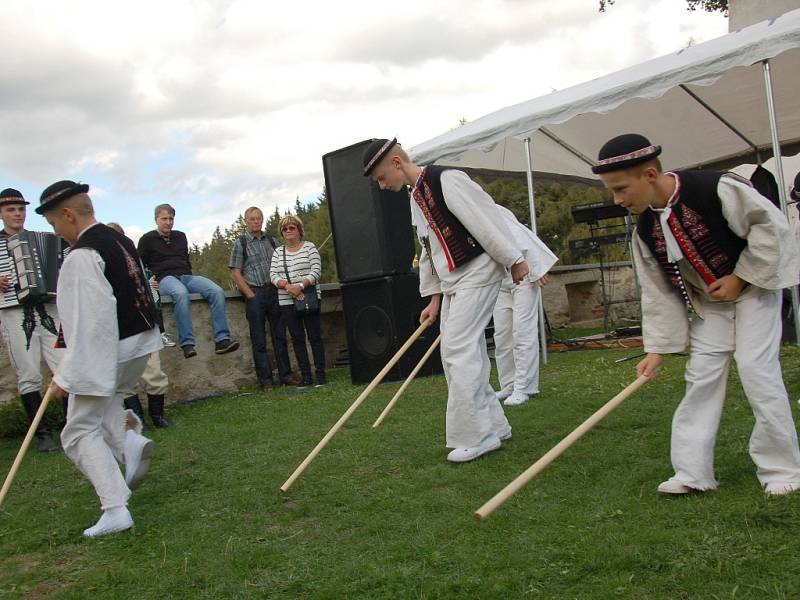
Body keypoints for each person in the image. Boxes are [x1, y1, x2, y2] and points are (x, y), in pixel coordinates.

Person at [594, 133, 800, 497]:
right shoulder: (644, 228)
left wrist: (740, 277)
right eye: (613, 190)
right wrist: (656, 350)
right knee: (701, 377)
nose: (618, 199)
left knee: (756, 369)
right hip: (711, 306)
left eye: (622, 188)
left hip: (755, 291)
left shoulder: (717, 187)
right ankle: (692, 473)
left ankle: (782, 469)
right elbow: (659, 292)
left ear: (651, 174)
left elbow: (771, 229)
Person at [364, 138, 529, 463]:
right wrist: (434, 297)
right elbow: (428, 250)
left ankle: (477, 436)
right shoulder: (416, 197)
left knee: (457, 349)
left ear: (397, 163)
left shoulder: (446, 180)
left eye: (382, 178)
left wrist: (513, 258)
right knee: (464, 351)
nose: (382, 186)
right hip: (455, 281)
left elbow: (485, 218)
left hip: (479, 271)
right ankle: (495, 426)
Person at [38, 180, 161, 537]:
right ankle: (129, 441)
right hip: (142, 341)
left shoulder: (82, 256)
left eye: (53, 223)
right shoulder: (118, 239)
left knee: (77, 430)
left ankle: (114, 507)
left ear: (68, 214)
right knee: (106, 403)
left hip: (114, 346)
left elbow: (93, 322)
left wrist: (67, 375)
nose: (56, 232)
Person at [0, 188, 63, 452]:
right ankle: (43, 435)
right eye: (11, 210)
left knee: (66, 366)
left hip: (48, 309)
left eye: (20, 209)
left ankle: (75, 425)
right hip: (14, 312)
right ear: (1, 213)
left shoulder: (43, 239)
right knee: (29, 374)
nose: (17, 214)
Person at [138, 203, 239, 359]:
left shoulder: (180, 236)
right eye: (164, 219)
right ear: (156, 219)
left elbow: (185, 259)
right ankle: (187, 344)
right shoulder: (147, 239)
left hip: (185, 276)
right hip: (164, 278)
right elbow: (140, 265)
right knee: (180, 293)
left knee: (216, 291)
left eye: (171, 219)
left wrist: (189, 276)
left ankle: (222, 341)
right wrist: (148, 282)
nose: (168, 222)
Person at [107, 222, 172, 429]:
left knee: (155, 374)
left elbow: (152, 300)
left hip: (145, 325)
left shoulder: (139, 265)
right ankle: (138, 420)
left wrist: (152, 287)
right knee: (126, 382)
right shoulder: (103, 268)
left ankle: (158, 416)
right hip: (120, 331)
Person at [492, 205, 557, 407]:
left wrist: (537, 270)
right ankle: (509, 385)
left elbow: (521, 234)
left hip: (524, 275)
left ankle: (524, 387)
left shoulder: (487, 208)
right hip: (499, 280)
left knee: (523, 331)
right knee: (502, 335)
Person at [229, 207, 296, 390]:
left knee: (280, 336)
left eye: (259, 218)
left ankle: (286, 375)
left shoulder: (273, 242)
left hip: (275, 292)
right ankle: (266, 380)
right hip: (255, 294)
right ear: (246, 221)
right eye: (252, 219)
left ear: (262, 220)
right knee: (259, 340)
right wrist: (250, 294)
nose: (256, 221)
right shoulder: (240, 243)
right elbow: (235, 272)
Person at [269, 214, 326, 388]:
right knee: (297, 339)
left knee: (315, 337)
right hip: (287, 301)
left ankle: (321, 375)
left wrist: (300, 286)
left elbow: (316, 271)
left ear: (299, 230)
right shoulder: (278, 252)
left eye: (291, 227)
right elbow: (273, 275)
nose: (288, 231)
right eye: (284, 229)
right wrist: (289, 288)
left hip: (309, 297)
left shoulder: (310, 247)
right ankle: (306, 376)